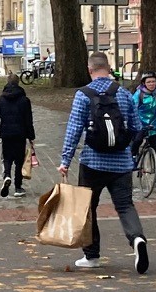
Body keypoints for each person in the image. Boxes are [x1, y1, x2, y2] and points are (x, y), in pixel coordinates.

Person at [56, 53, 148, 273]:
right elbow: (137, 127)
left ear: (90, 70)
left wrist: (65, 160)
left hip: (92, 163)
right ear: (109, 68)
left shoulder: (83, 95)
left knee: (88, 208)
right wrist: (129, 149)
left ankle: (92, 255)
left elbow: (73, 129)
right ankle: (137, 239)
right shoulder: (124, 94)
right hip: (122, 164)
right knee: (125, 205)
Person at [0, 76, 35, 197]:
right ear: (18, 83)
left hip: (6, 133)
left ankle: (7, 175)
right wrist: (31, 136)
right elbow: (28, 120)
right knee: (20, 160)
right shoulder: (25, 100)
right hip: (20, 134)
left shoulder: (0, 99)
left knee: (7, 157)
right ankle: (18, 187)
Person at [132, 73, 156, 192]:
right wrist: (136, 125)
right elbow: (133, 109)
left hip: (154, 125)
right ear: (144, 83)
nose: (151, 84)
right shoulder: (139, 94)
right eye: (149, 82)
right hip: (140, 124)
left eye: (153, 82)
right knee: (136, 141)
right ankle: (132, 160)